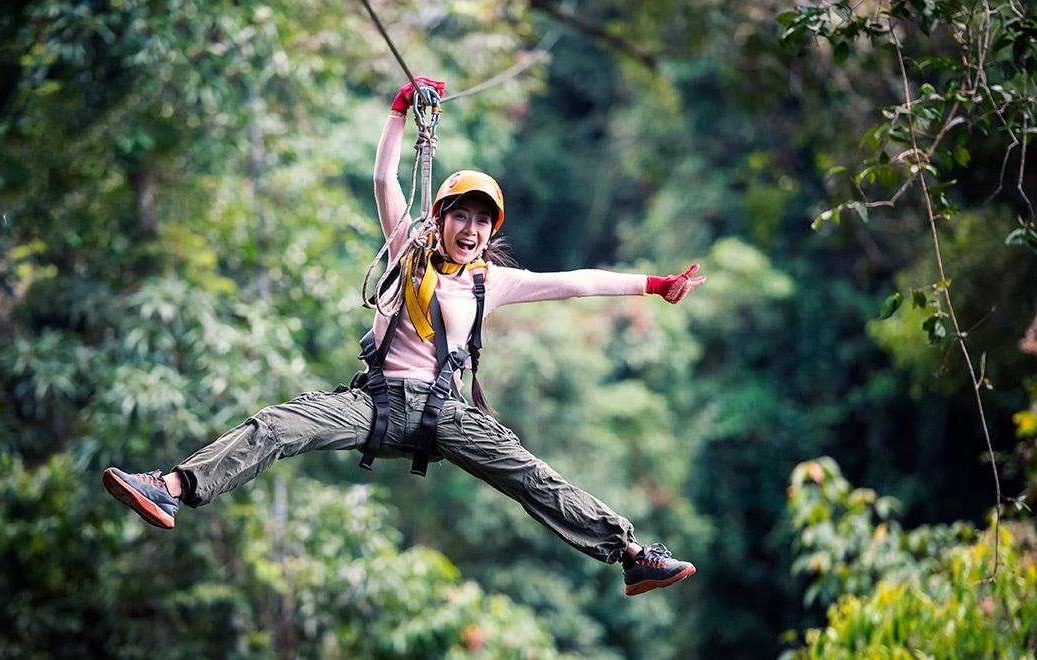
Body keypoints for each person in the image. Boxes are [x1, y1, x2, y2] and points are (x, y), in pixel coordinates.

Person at [103, 77, 706, 596]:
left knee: (534, 478)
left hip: (448, 414)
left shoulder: (490, 283)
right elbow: (385, 178)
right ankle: (172, 486)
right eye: (459, 216)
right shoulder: (405, 252)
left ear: (490, 230)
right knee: (278, 425)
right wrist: (399, 111)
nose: (469, 230)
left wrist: (654, 285)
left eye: (480, 221)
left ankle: (631, 557)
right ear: (440, 219)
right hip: (376, 403)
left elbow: (576, 282)